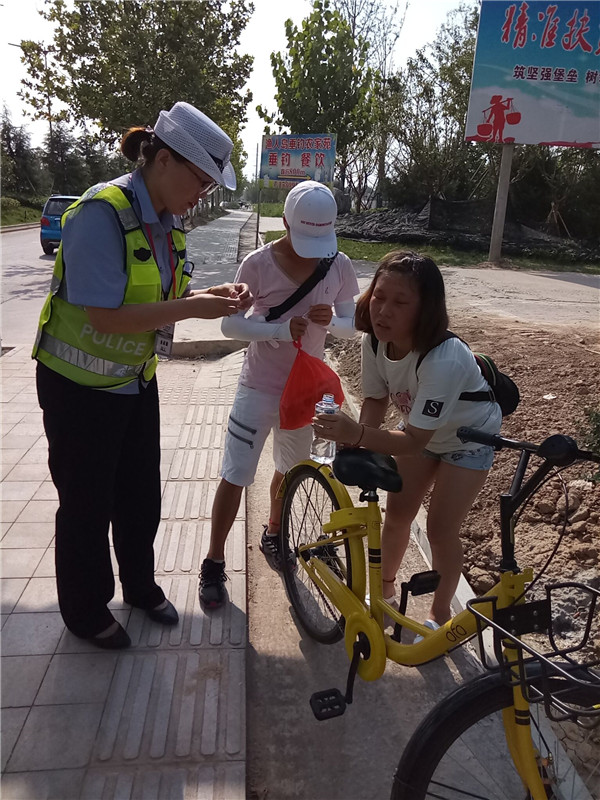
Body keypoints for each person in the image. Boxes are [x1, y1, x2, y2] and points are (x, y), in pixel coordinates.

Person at [33, 101, 252, 649]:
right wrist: (192, 308)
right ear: (163, 159)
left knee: (139, 495)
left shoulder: (169, 221)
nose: (203, 193)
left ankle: (139, 586)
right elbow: (103, 315)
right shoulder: (99, 214)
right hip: (79, 389)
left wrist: (208, 295)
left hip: (133, 381)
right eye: (201, 179)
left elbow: (163, 293)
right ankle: (85, 611)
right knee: (86, 504)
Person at [312, 251, 501, 632]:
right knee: (397, 515)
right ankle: (383, 596)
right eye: (379, 296)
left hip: (468, 438)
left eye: (401, 303)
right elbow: (376, 398)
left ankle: (440, 615)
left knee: (440, 530)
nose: (384, 311)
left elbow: (413, 441)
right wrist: (357, 441)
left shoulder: (443, 358)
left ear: (425, 310)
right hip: (418, 429)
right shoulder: (375, 341)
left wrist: (357, 434)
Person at [199, 181, 359, 609]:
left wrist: (331, 321)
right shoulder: (258, 263)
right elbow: (230, 325)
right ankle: (214, 560)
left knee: (289, 470)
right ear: (285, 223)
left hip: (306, 392)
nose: (311, 253)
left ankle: (274, 531)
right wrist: (277, 330)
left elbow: (352, 323)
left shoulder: (338, 264)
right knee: (236, 474)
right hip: (259, 388)